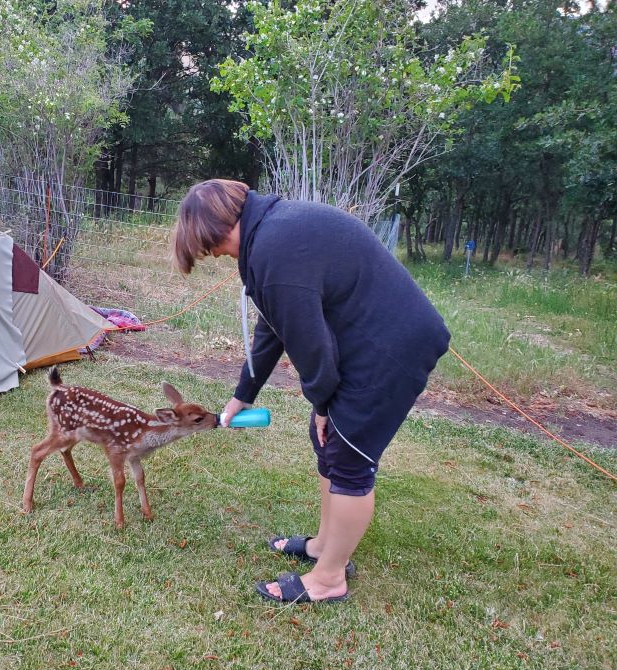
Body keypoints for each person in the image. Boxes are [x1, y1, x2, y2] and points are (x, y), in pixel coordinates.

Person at [172, 179, 450, 605]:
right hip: (371, 340)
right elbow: (273, 325)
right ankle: (324, 545)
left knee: (349, 456)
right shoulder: (270, 232)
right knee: (326, 441)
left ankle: (329, 578)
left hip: (391, 348)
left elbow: (312, 347)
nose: (216, 257)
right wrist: (242, 395)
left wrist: (323, 403)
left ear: (216, 232)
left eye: (210, 250)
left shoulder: (273, 248)